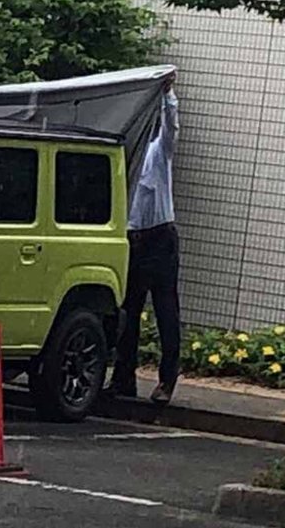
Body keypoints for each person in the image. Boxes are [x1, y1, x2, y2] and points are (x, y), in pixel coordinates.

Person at [107, 74, 181, 404]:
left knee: (166, 310)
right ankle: (124, 378)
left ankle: (167, 380)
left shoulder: (157, 152)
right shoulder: (124, 156)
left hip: (160, 238)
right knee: (129, 311)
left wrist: (167, 96)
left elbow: (171, 130)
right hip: (132, 239)